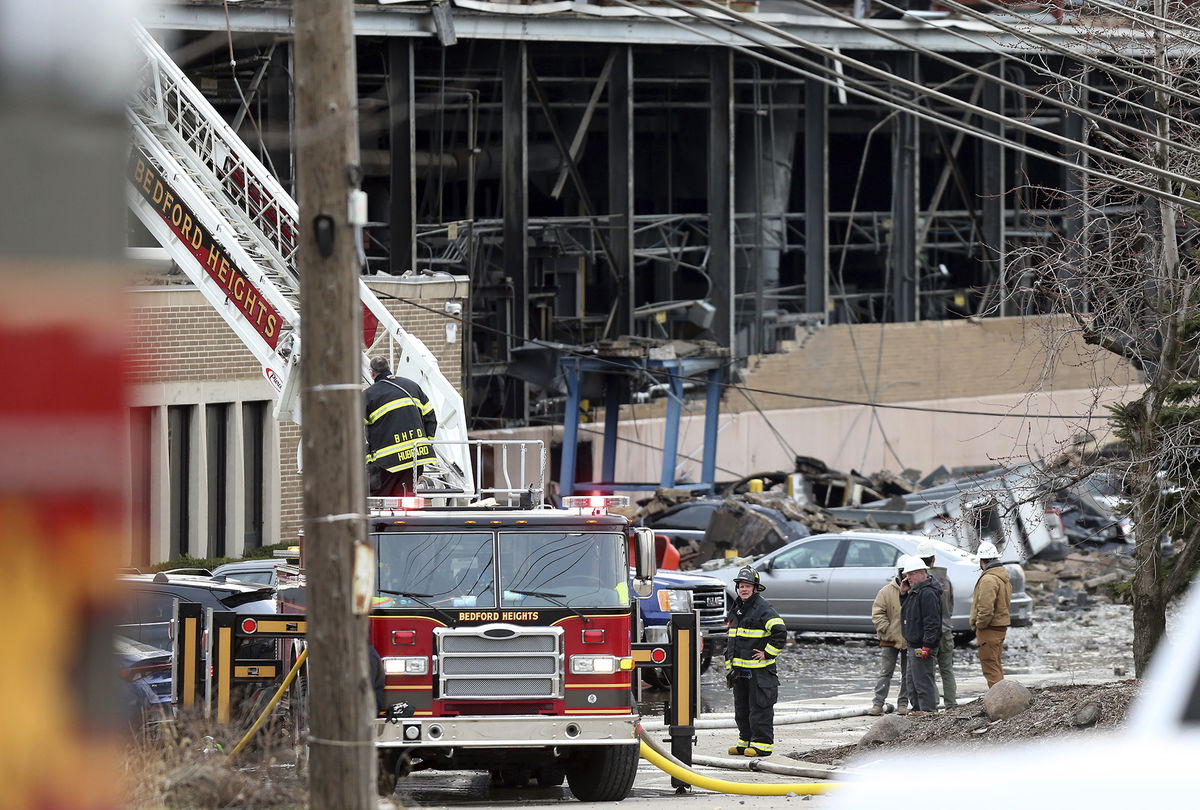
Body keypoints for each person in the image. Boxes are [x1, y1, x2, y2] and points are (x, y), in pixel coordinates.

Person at [724, 566, 787, 757]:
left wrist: (767, 653)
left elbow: (780, 631)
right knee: (742, 710)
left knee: (760, 709)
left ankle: (762, 745)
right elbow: (732, 639)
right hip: (741, 671)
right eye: (741, 586)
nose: (743, 589)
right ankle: (745, 741)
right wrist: (730, 666)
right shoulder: (739, 608)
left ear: (755, 588)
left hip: (760, 673)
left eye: (747, 586)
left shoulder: (762, 608)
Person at [363, 356, 438, 496]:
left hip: (388, 464)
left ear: (372, 373)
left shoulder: (368, 396)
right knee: (406, 500)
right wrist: (426, 443)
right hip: (416, 459)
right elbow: (431, 417)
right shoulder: (412, 386)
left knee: (380, 503)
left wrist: (367, 457)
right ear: (389, 368)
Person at [898, 554, 943, 715]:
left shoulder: (928, 593)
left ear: (920, 573)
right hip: (914, 644)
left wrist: (927, 645)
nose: (907, 577)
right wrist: (903, 594)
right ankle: (918, 710)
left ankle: (928, 712)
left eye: (910, 574)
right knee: (913, 682)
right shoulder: (915, 591)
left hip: (922, 645)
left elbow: (932, 622)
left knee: (923, 681)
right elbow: (909, 613)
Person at [916, 539, 957, 708]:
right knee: (947, 671)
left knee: (928, 672)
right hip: (946, 631)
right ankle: (951, 705)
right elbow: (951, 604)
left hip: (928, 635)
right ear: (933, 558)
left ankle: (932, 705)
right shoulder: (945, 579)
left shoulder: (921, 582)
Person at [970, 541, 1012, 687]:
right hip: (999, 626)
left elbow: (986, 609)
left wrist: (979, 625)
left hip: (989, 628)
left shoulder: (989, 579)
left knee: (990, 666)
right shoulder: (1002, 576)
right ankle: (1004, 698)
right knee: (995, 663)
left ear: (982, 561)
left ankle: (1000, 702)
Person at [869, 564, 909, 716]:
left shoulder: (914, 591)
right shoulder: (885, 592)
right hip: (889, 639)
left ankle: (903, 704)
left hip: (909, 639)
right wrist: (886, 629)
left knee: (907, 674)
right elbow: (878, 612)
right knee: (885, 672)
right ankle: (878, 703)